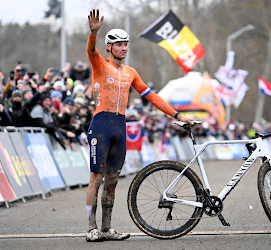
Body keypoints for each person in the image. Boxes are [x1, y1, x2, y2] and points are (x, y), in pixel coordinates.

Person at [84, 9, 195, 242]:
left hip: (120, 127)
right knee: (97, 178)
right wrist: (93, 33)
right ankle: (91, 229)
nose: (124, 48)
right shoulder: (100, 65)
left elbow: (151, 96)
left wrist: (177, 115)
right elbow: (90, 51)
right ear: (109, 47)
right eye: (119, 44)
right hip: (101, 124)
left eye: (126, 44)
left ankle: (106, 228)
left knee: (112, 181)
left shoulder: (131, 73)